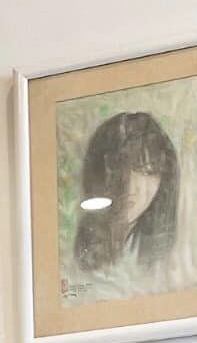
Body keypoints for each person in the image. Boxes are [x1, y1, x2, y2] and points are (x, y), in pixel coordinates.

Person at [74, 109, 179, 276]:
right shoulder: (83, 247)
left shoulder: (162, 258)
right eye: (121, 168)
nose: (133, 187)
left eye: (148, 173)